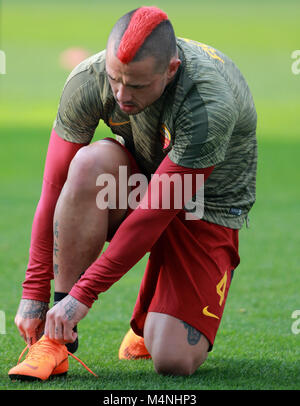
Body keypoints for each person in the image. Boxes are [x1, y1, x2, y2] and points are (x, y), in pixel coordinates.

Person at [9, 6, 257, 381]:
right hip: (141, 182)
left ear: (170, 70)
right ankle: (55, 344)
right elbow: (54, 188)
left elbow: (155, 213)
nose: (122, 95)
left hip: (205, 206)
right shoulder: (88, 79)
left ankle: (151, 318)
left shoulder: (208, 103)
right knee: (88, 165)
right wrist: (35, 294)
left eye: (137, 85)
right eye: (115, 79)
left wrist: (84, 296)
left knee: (173, 360)